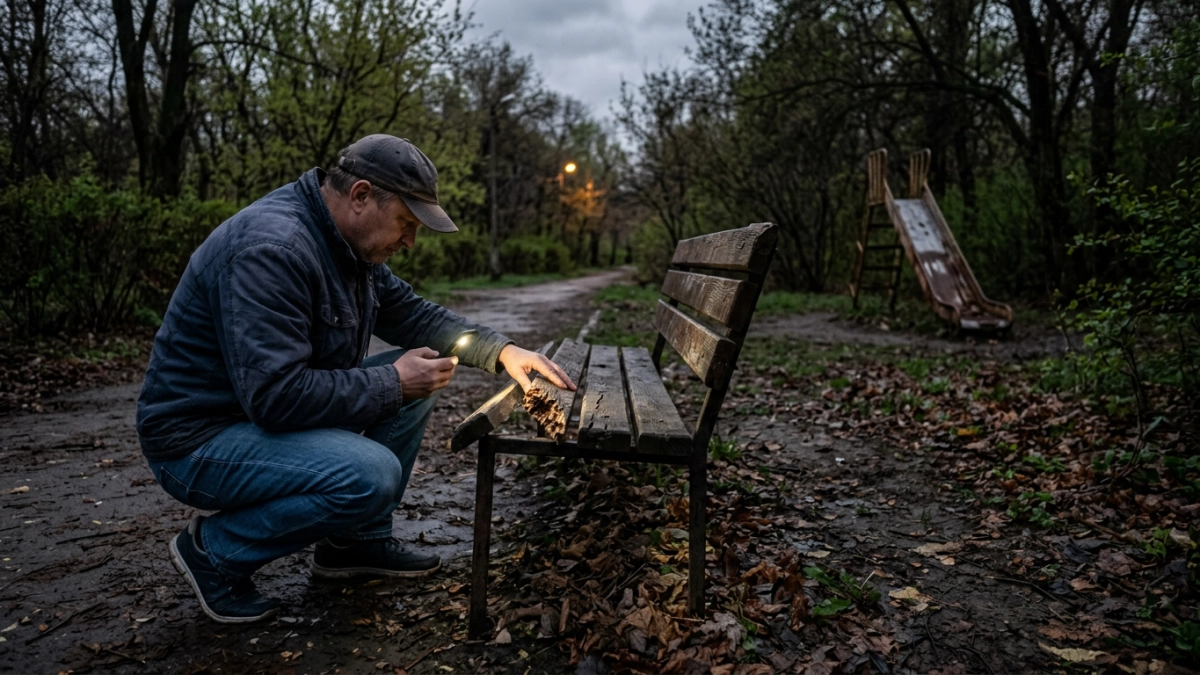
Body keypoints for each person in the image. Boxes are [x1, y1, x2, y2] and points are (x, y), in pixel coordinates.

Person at [135, 134, 575, 624]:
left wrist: (502, 351)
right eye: (406, 223)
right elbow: (275, 398)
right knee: (372, 473)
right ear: (361, 196)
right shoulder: (273, 248)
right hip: (197, 442)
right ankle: (214, 553)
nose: (410, 241)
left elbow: (413, 315)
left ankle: (354, 544)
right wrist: (393, 383)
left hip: (249, 418)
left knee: (418, 370)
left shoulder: (346, 244)